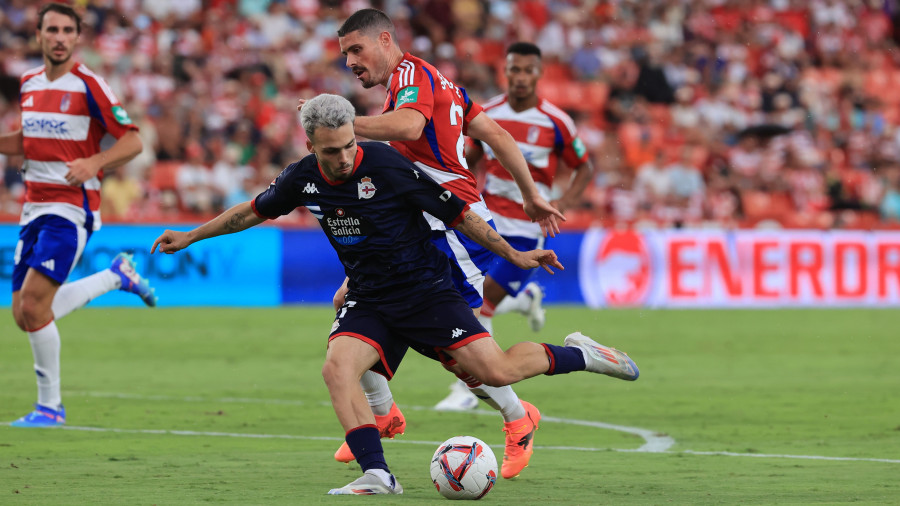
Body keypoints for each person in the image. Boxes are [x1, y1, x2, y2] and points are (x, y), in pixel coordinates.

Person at [151, 94, 639, 495]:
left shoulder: (386, 166)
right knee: (337, 366)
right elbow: (251, 211)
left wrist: (514, 255)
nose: (342, 158)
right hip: (371, 296)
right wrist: (191, 236)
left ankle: (583, 354)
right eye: (330, 152)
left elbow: (460, 216)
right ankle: (378, 472)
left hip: (427, 292)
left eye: (347, 146)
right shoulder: (302, 177)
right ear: (309, 145)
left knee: (496, 370)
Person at [301, 7, 565, 480]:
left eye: (355, 50)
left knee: (459, 346)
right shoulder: (441, 85)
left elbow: (408, 127)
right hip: (419, 228)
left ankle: (516, 417)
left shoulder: (411, 77)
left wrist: (337, 126)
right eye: (344, 55)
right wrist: (531, 195)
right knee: (353, 301)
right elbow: (497, 134)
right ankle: (383, 413)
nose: (350, 63)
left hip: (452, 229)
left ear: (385, 40)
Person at [0, 3, 157, 428]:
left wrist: (95, 162)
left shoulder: (91, 84)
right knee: (22, 313)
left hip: (71, 210)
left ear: (76, 37)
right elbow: (28, 138)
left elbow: (132, 141)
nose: (59, 37)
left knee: (34, 307)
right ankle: (115, 276)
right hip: (33, 208)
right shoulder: (29, 82)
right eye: (51, 29)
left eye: (67, 30)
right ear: (38, 35)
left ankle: (50, 408)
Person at [436, 42, 596, 412]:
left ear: (539, 74)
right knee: (470, 297)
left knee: (482, 304)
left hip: (528, 226)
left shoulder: (555, 121)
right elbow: (471, 157)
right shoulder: (487, 112)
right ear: (504, 72)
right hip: (486, 221)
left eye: (527, 70)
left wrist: (563, 204)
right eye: (514, 70)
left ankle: (468, 388)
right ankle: (525, 301)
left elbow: (584, 165)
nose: (520, 77)